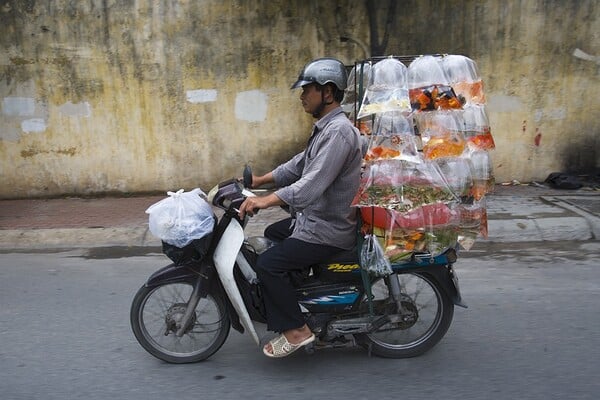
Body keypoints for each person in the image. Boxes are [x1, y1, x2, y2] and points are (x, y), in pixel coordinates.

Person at [238, 57, 363, 358]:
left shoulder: (339, 133)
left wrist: (264, 200)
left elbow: (310, 186)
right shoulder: (326, 128)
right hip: (314, 220)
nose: (302, 96)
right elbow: (298, 166)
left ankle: (297, 330)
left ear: (328, 92)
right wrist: (258, 180)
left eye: (308, 89)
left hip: (328, 229)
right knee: (272, 233)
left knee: (269, 265)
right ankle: (303, 297)